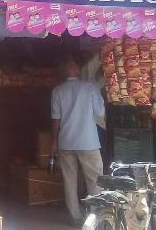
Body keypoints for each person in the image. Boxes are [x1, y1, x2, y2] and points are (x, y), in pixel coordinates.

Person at [51, 57, 106, 228]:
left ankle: (75, 217)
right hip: (88, 142)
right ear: (75, 70)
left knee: (69, 180)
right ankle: (96, 217)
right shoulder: (89, 87)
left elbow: (56, 120)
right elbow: (100, 112)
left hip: (66, 142)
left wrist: (53, 141)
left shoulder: (57, 91)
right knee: (95, 181)